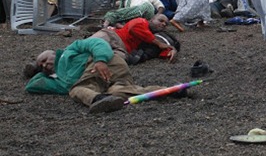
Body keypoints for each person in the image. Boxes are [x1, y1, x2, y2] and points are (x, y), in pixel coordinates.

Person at [24, 37, 169, 114]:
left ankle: (98, 99)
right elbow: (32, 86)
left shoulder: (70, 50)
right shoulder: (58, 81)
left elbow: (97, 42)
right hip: (103, 80)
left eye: (44, 60)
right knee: (118, 91)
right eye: (41, 66)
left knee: (75, 90)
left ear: (54, 53)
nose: (44, 65)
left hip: (103, 64)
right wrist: (36, 71)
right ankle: (167, 91)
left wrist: (100, 60)